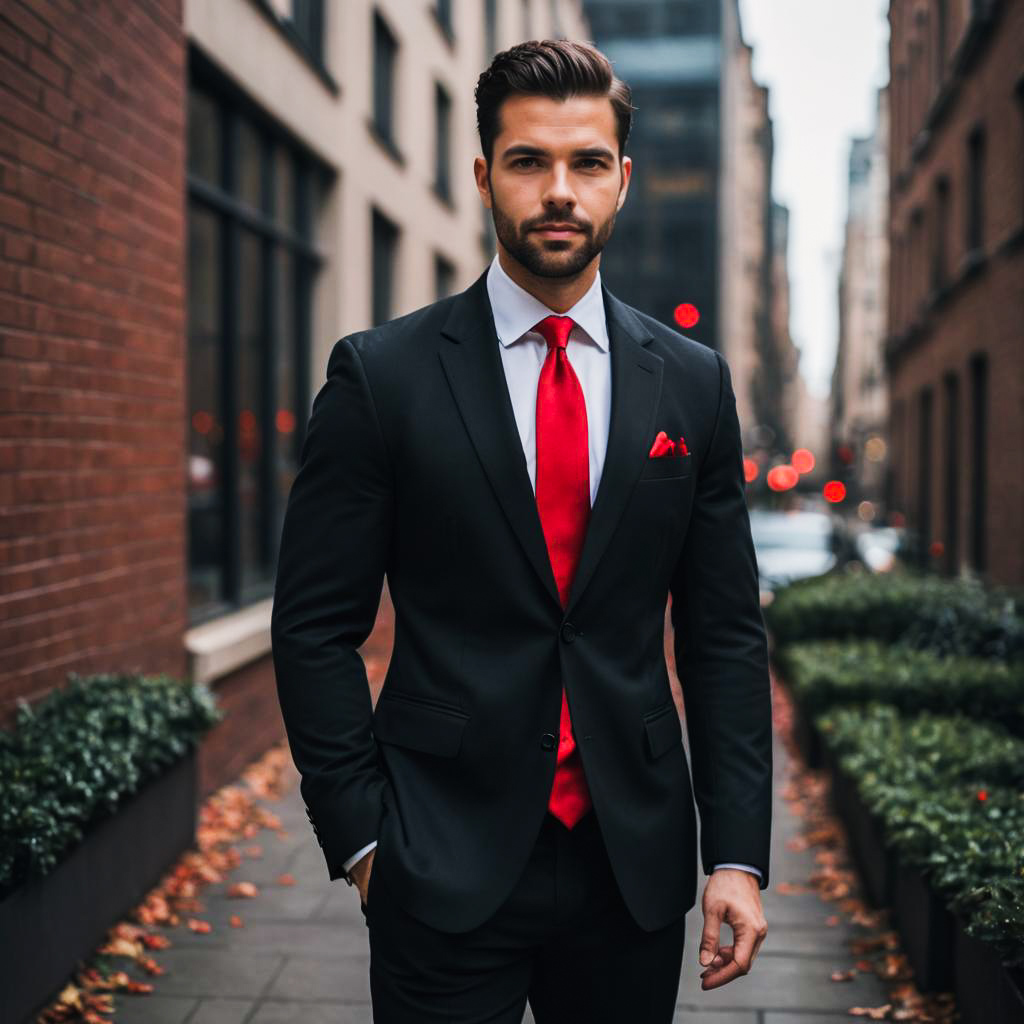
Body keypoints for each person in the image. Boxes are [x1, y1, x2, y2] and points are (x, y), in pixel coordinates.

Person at [271, 38, 772, 1024]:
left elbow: (722, 634)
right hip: (434, 853)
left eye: (585, 163)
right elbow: (311, 625)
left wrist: (738, 856)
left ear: (622, 182)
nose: (558, 190)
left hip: (628, 860)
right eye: (527, 160)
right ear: (481, 175)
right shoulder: (383, 378)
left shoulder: (694, 383)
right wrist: (363, 840)